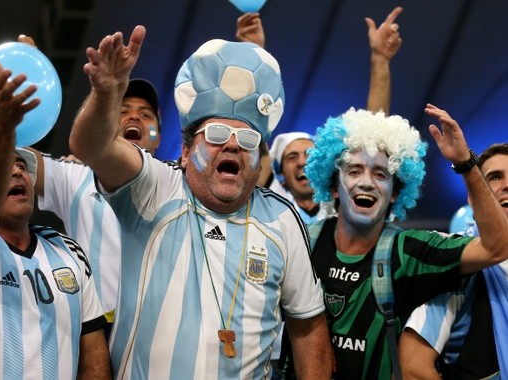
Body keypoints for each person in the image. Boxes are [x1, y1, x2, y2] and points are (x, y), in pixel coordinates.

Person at [69, 25, 333, 379]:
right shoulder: (155, 187)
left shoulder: (281, 219)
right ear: (185, 149)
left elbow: (308, 326)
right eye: (217, 134)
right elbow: (90, 147)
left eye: (247, 139)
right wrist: (106, 95)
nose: (233, 145)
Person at [302, 105, 508, 378]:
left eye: (380, 174)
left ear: (396, 192)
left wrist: (466, 165)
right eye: (354, 171)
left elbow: (497, 248)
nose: (366, 183)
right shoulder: (300, 241)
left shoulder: (409, 252)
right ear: (332, 186)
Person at [0, 61, 110, 378]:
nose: (16, 171)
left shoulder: (69, 252)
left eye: (22, 166)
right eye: (5, 166)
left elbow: (93, 356)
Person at [29, 77, 161, 330]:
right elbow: (17, 157)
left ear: (157, 137)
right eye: (122, 112)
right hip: (90, 334)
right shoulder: (77, 176)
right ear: (109, 126)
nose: (134, 117)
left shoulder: (176, 186)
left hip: (152, 337)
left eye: (145, 114)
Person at [256, 6, 403, 222]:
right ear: (281, 179)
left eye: (308, 154)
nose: (301, 162)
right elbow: (255, 125)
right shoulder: (270, 202)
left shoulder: (344, 201)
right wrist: (255, 54)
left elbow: (373, 132)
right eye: (291, 157)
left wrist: (380, 60)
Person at [399, 143, 508, 379]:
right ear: (474, 197)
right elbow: (413, 368)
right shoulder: (460, 267)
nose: (507, 185)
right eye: (495, 177)